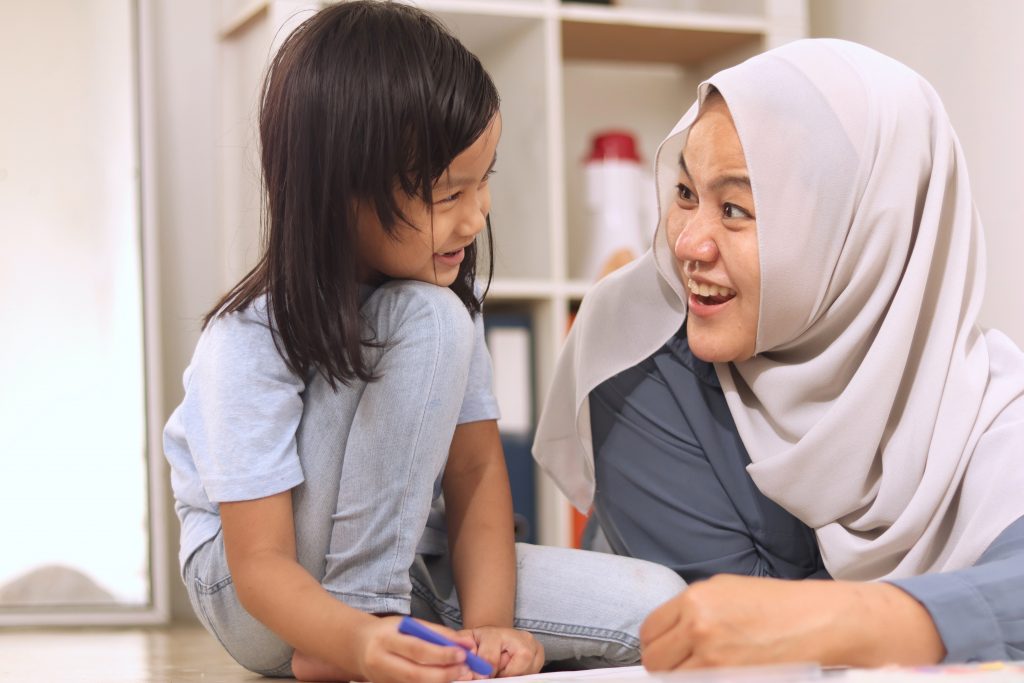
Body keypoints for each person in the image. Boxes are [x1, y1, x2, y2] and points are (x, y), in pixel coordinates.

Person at [163, 3, 684, 681]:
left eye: (483, 180)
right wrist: (352, 635)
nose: (476, 216)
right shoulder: (248, 338)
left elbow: (475, 473)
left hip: (406, 560)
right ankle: (366, 627)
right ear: (338, 192)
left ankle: (393, 630)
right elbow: (258, 561)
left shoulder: (445, 309)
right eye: (447, 193)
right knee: (434, 317)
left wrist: (491, 628)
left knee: (665, 612)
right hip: (257, 592)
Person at [534, 38, 1024, 669]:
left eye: (735, 208)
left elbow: (789, 625)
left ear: (862, 231)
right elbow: (745, 645)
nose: (688, 244)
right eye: (685, 193)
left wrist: (862, 616)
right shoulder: (638, 363)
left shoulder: (983, 394)